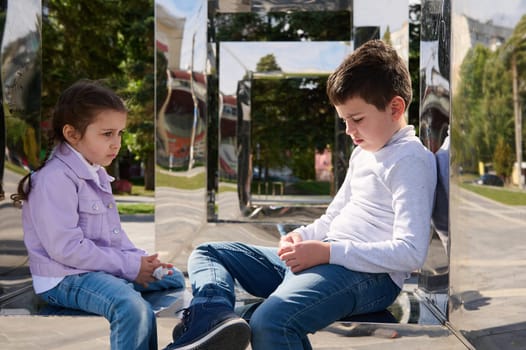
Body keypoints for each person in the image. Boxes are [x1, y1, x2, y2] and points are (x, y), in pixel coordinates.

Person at [164, 39, 437, 350]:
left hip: (369, 276)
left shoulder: (410, 159)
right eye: (344, 120)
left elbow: (411, 252)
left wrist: (327, 253)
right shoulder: (365, 151)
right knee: (208, 252)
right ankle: (211, 318)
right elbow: (335, 216)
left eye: (357, 119)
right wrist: (301, 235)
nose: (349, 131)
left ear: (395, 107)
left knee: (270, 322)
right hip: (327, 258)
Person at [11, 79, 185, 350]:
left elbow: (114, 238)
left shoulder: (94, 172)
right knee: (128, 305)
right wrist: (130, 268)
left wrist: (139, 261)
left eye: (120, 133)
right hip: (65, 277)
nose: (116, 143)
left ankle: (200, 330)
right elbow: (66, 249)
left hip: (95, 268)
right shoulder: (55, 179)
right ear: (72, 134)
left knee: (170, 275)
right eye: (107, 134)